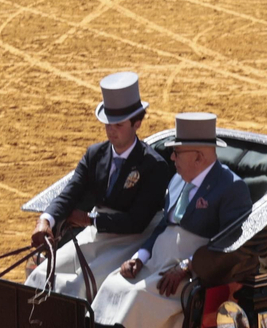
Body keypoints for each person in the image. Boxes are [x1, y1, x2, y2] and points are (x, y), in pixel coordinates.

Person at [90, 112, 251, 328]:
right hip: (157, 263)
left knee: (138, 299)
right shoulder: (177, 180)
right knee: (113, 285)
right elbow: (164, 225)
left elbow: (228, 246)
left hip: (189, 274)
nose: (172, 158)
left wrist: (187, 267)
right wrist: (140, 257)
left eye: (177, 152)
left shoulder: (232, 188)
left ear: (199, 157)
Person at [26, 72, 172, 300]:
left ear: (137, 123)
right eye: (108, 124)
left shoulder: (154, 165)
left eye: (118, 125)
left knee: (77, 287)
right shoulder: (95, 154)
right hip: (97, 236)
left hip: (131, 241)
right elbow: (69, 193)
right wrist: (46, 220)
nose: (111, 130)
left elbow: (137, 222)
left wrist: (90, 220)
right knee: (39, 276)